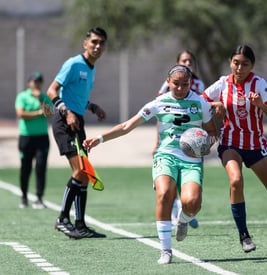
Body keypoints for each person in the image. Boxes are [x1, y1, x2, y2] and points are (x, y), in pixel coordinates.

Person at [83, 65, 217, 264]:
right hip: (166, 155)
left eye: (185, 84)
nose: (180, 88)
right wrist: (99, 139)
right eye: (176, 84)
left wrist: (207, 144)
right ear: (168, 82)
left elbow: (212, 132)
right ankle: (165, 251)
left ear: (190, 83)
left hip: (191, 160)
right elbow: (127, 126)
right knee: (164, 194)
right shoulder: (159, 103)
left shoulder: (201, 104)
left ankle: (183, 219)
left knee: (193, 204)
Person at [203, 45, 267, 257]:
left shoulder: (258, 83)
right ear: (230, 62)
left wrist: (261, 105)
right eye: (236, 63)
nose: (239, 68)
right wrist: (215, 103)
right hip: (230, 143)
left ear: (252, 65)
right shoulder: (223, 83)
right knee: (236, 181)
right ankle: (244, 235)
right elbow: (198, 101)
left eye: (245, 64)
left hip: (255, 146)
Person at [47, 27, 108, 239]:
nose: (97, 46)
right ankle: (63, 219)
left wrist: (92, 107)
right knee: (80, 171)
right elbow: (51, 90)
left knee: (85, 174)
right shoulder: (74, 64)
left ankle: (80, 224)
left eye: (101, 43)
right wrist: (67, 111)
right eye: (94, 42)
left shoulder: (91, 69)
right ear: (85, 44)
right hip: (64, 121)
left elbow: (77, 96)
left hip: (78, 122)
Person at [157, 50, 205, 229]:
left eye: (190, 61)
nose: (187, 63)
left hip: (194, 140)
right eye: (184, 60)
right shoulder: (169, 84)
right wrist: (158, 139)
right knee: (172, 178)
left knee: (193, 184)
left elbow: (205, 104)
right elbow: (161, 109)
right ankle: (177, 208)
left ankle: (186, 210)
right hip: (173, 139)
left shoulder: (198, 84)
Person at [15, 72, 53, 209]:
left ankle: (39, 198)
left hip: (42, 138)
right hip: (26, 137)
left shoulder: (45, 98)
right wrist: (37, 113)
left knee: (41, 168)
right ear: (29, 83)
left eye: (39, 81)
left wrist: (41, 102)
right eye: (34, 81)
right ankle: (24, 196)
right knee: (25, 168)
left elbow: (50, 114)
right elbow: (21, 114)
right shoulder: (22, 96)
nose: (36, 83)